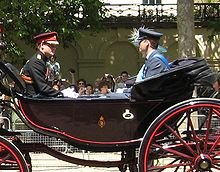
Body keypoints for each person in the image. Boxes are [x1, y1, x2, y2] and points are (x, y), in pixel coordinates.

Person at [20, 32, 62, 97]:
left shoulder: (43, 61)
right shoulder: (36, 62)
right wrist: (60, 94)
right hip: (34, 100)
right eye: (51, 45)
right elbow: (43, 88)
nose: (54, 48)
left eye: (55, 46)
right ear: (42, 45)